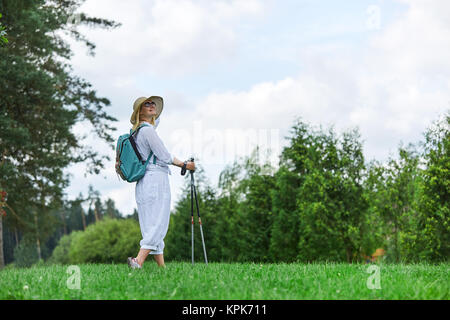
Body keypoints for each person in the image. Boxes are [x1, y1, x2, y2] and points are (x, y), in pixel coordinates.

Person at [126, 96, 195, 269]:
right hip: (156, 179)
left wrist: (152, 116)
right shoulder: (148, 131)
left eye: (152, 103)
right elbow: (164, 155)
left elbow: (156, 122)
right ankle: (138, 261)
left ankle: (162, 269)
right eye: (146, 104)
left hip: (143, 182)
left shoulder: (136, 131)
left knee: (151, 224)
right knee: (158, 223)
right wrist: (185, 164)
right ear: (139, 111)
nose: (151, 105)